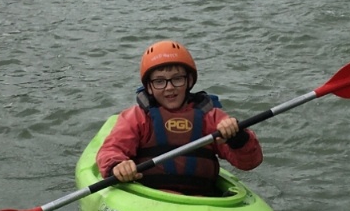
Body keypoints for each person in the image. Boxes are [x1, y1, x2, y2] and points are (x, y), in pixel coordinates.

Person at [96, 41, 263, 196]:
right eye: (159, 81)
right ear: (149, 87)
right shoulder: (137, 117)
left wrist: (238, 138)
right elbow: (111, 150)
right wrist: (117, 166)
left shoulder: (212, 117)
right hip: (150, 198)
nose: (169, 88)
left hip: (202, 200)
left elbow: (249, 163)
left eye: (177, 79)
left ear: (189, 81)